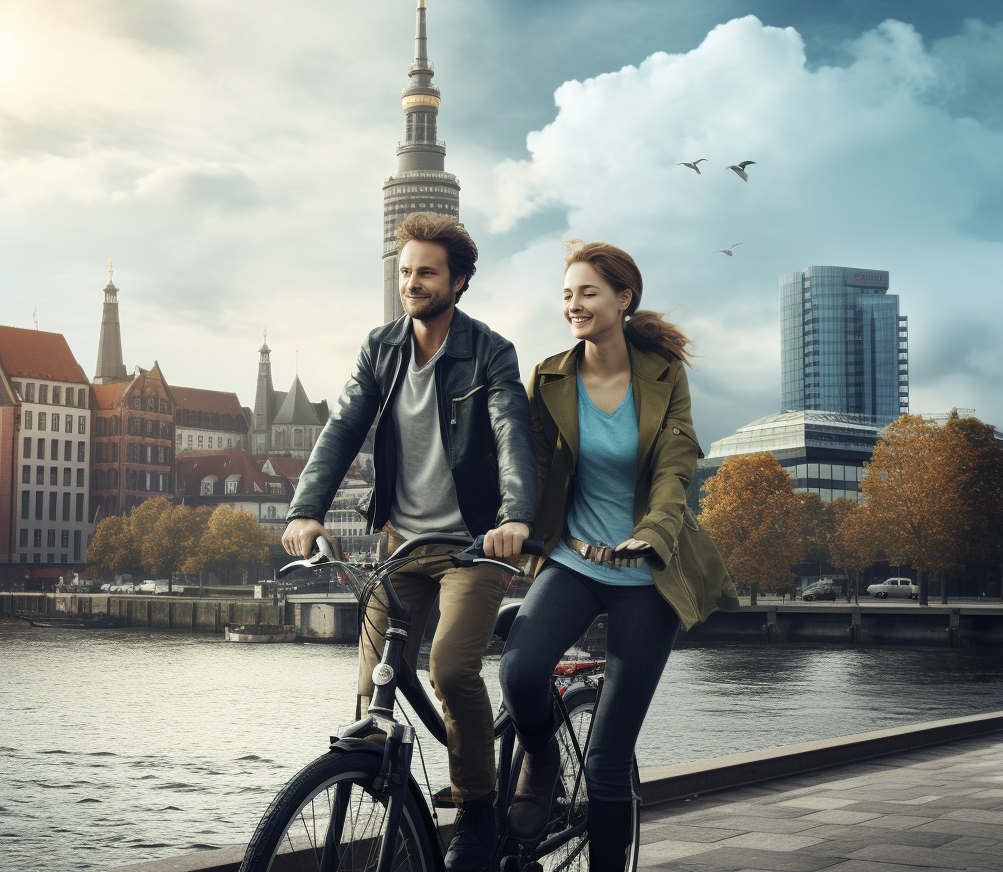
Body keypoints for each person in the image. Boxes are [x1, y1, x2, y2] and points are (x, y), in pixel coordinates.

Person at [282, 212, 536, 872]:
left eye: (425, 272)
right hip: (402, 544)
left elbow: (512, 435)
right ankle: (391, 799)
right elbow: (341, 429)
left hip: (476, 544)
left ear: (458, 281)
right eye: (403, 272)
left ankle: (478, 810)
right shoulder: (381, 348)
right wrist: (307, 508)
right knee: (373, 685)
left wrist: (514, 517)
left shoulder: (490, 352)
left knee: (451, 666)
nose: (411, 283)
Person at [499, 240, 739, 872]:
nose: (574, 304)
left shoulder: (663, 376)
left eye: (588, 292)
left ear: (624, 298)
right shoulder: (551, 376)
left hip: (643, 574)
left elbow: (676, 463)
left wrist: (657, 527)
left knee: (607, 760)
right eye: (567, 294)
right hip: (574, 560)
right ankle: (542, 760)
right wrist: (509, 524)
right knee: (519, 673)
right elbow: (532, 466)